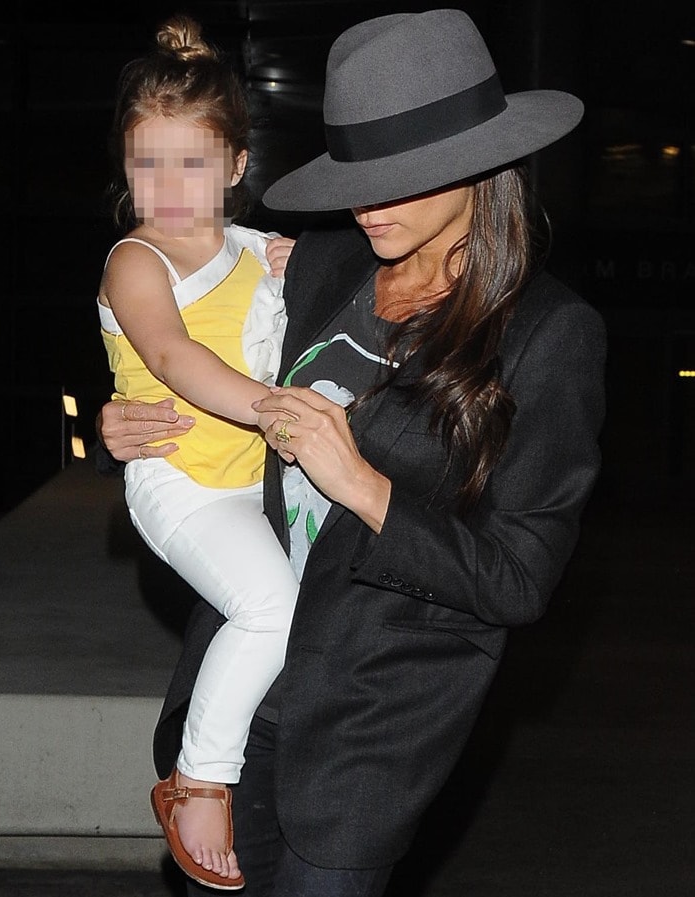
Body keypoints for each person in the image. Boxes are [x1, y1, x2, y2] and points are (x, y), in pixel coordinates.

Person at [99, 9, 607, 897]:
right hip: (236, 702)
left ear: (482, 166)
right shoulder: (320, 266)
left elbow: (519, 579)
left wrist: (365, 488)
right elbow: (189, 339)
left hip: (362, 742)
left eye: (400, 174)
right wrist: (125, 422)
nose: (369, 201)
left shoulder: (547, 335)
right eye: (356, 173)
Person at [96, 14, 297, 890]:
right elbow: (175, 358)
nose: (169, 185)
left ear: (238, 166)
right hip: (182, 482)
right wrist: (277, 411)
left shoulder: (261, 251)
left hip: (256, 483)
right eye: (148, 162)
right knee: (270, 610)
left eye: (192, 162)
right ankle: (200, 777)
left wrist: (301, 278)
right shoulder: (134, 259)